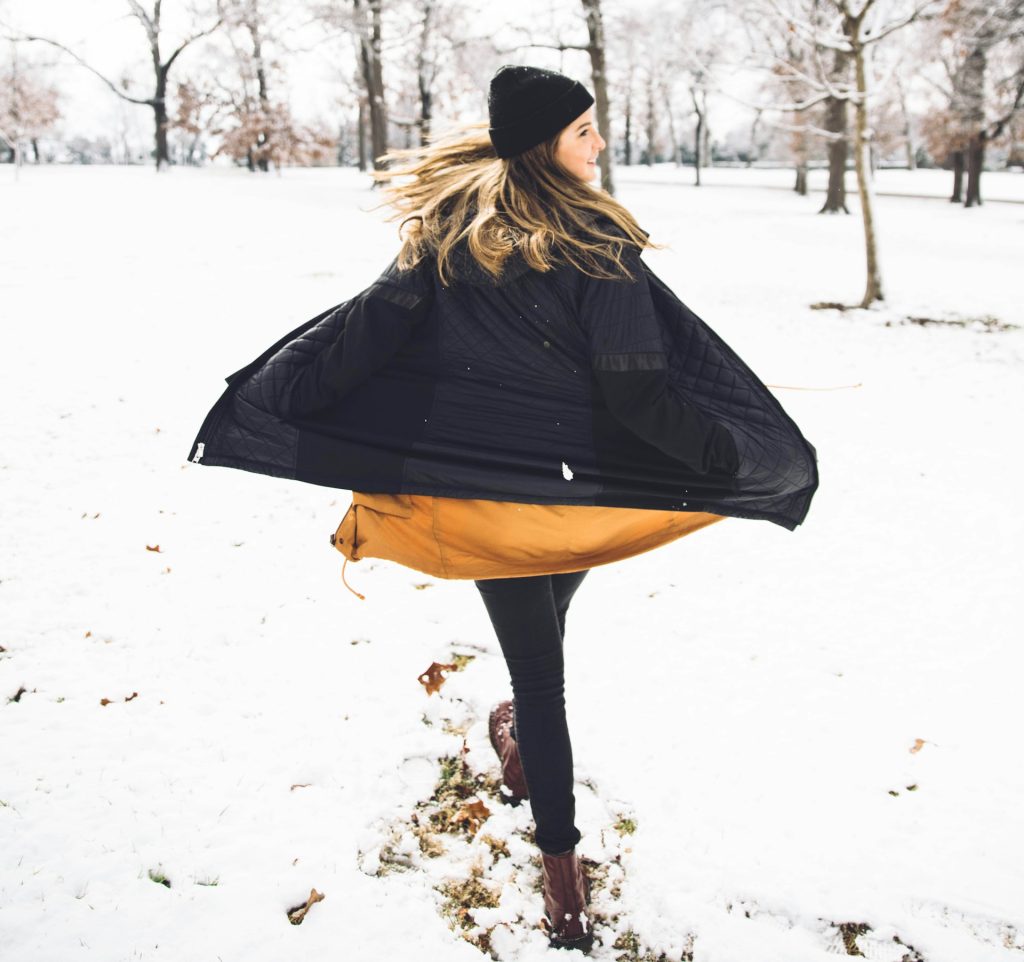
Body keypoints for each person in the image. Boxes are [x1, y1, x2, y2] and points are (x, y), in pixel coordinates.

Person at [187, 63, 818, 955]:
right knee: (545, 677)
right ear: (542, 146)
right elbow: (638, 397)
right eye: (582, 132)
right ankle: (565, 891)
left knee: (542, 651)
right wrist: (728, 457)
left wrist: (283, 392)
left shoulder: (445, 238)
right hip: (569, 499)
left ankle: (519, 735)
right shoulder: (597, 245)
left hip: (486, 503)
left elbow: (363, 336)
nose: (599, 143)